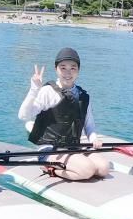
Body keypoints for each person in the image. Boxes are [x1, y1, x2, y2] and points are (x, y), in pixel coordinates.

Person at [18, 47, 110, 181]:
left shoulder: (83, 96)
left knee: (103, 168)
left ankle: (75, 164)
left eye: (73, 68)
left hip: (73, 147)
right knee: (87, 170)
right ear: (56, 69)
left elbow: (89, 125)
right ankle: (51, 169)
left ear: (78, 70)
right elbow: (23, 116)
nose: (68, 72)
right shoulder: (47, 91)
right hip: (50, 149)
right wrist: (34, 89)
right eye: (63, 68)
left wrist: (94, 139)